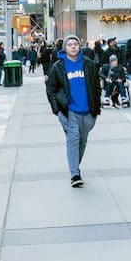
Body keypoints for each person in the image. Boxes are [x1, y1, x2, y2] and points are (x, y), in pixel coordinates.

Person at [46, 35, 103, 187]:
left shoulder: (88, 64)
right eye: (69, 44)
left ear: (79, 47)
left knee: (82, 141)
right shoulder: (58, 66)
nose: (73, 47)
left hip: (87, 111)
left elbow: (96, 87)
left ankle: (75, 167)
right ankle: (74, 174)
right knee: (73, 138)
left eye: (75, 44)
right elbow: (51, 88)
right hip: (68, 110)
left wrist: (96, 109)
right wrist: (57, 109)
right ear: (65, 48)